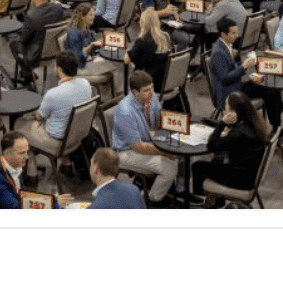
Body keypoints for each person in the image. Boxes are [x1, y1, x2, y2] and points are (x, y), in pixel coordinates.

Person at [110, 70, 177, 204]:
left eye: (152, 87)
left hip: (147, 141)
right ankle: (151, 199)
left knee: (179, 156)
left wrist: (173, 130)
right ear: (135, 92)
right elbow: (137, 146)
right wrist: (165, 151)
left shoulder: (151, 98)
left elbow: (159, 122)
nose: (151, 92)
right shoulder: (126, 111)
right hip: (126, 151)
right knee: (169, 168)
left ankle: (175, 192)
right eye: (146, 90)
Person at [191, 93, 271, 203]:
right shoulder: (254, 124)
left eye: (226, 105)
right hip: (248, 174)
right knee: (216, 160)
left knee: (198, 166)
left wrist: (222, 123)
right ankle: (217, 202)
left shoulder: (238, 134)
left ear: (234, 111)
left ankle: (202, 202)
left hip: (239, 180)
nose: (224, 108)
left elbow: (212, 145)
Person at [21, 51, 93, 156]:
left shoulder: (53, 94)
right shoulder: (86, 84)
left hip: (57, 141)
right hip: (77, 137)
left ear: (59, 69)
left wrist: (33, 112)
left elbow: (39, 117)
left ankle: (31, 170)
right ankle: (66, 163)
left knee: (21, 125)